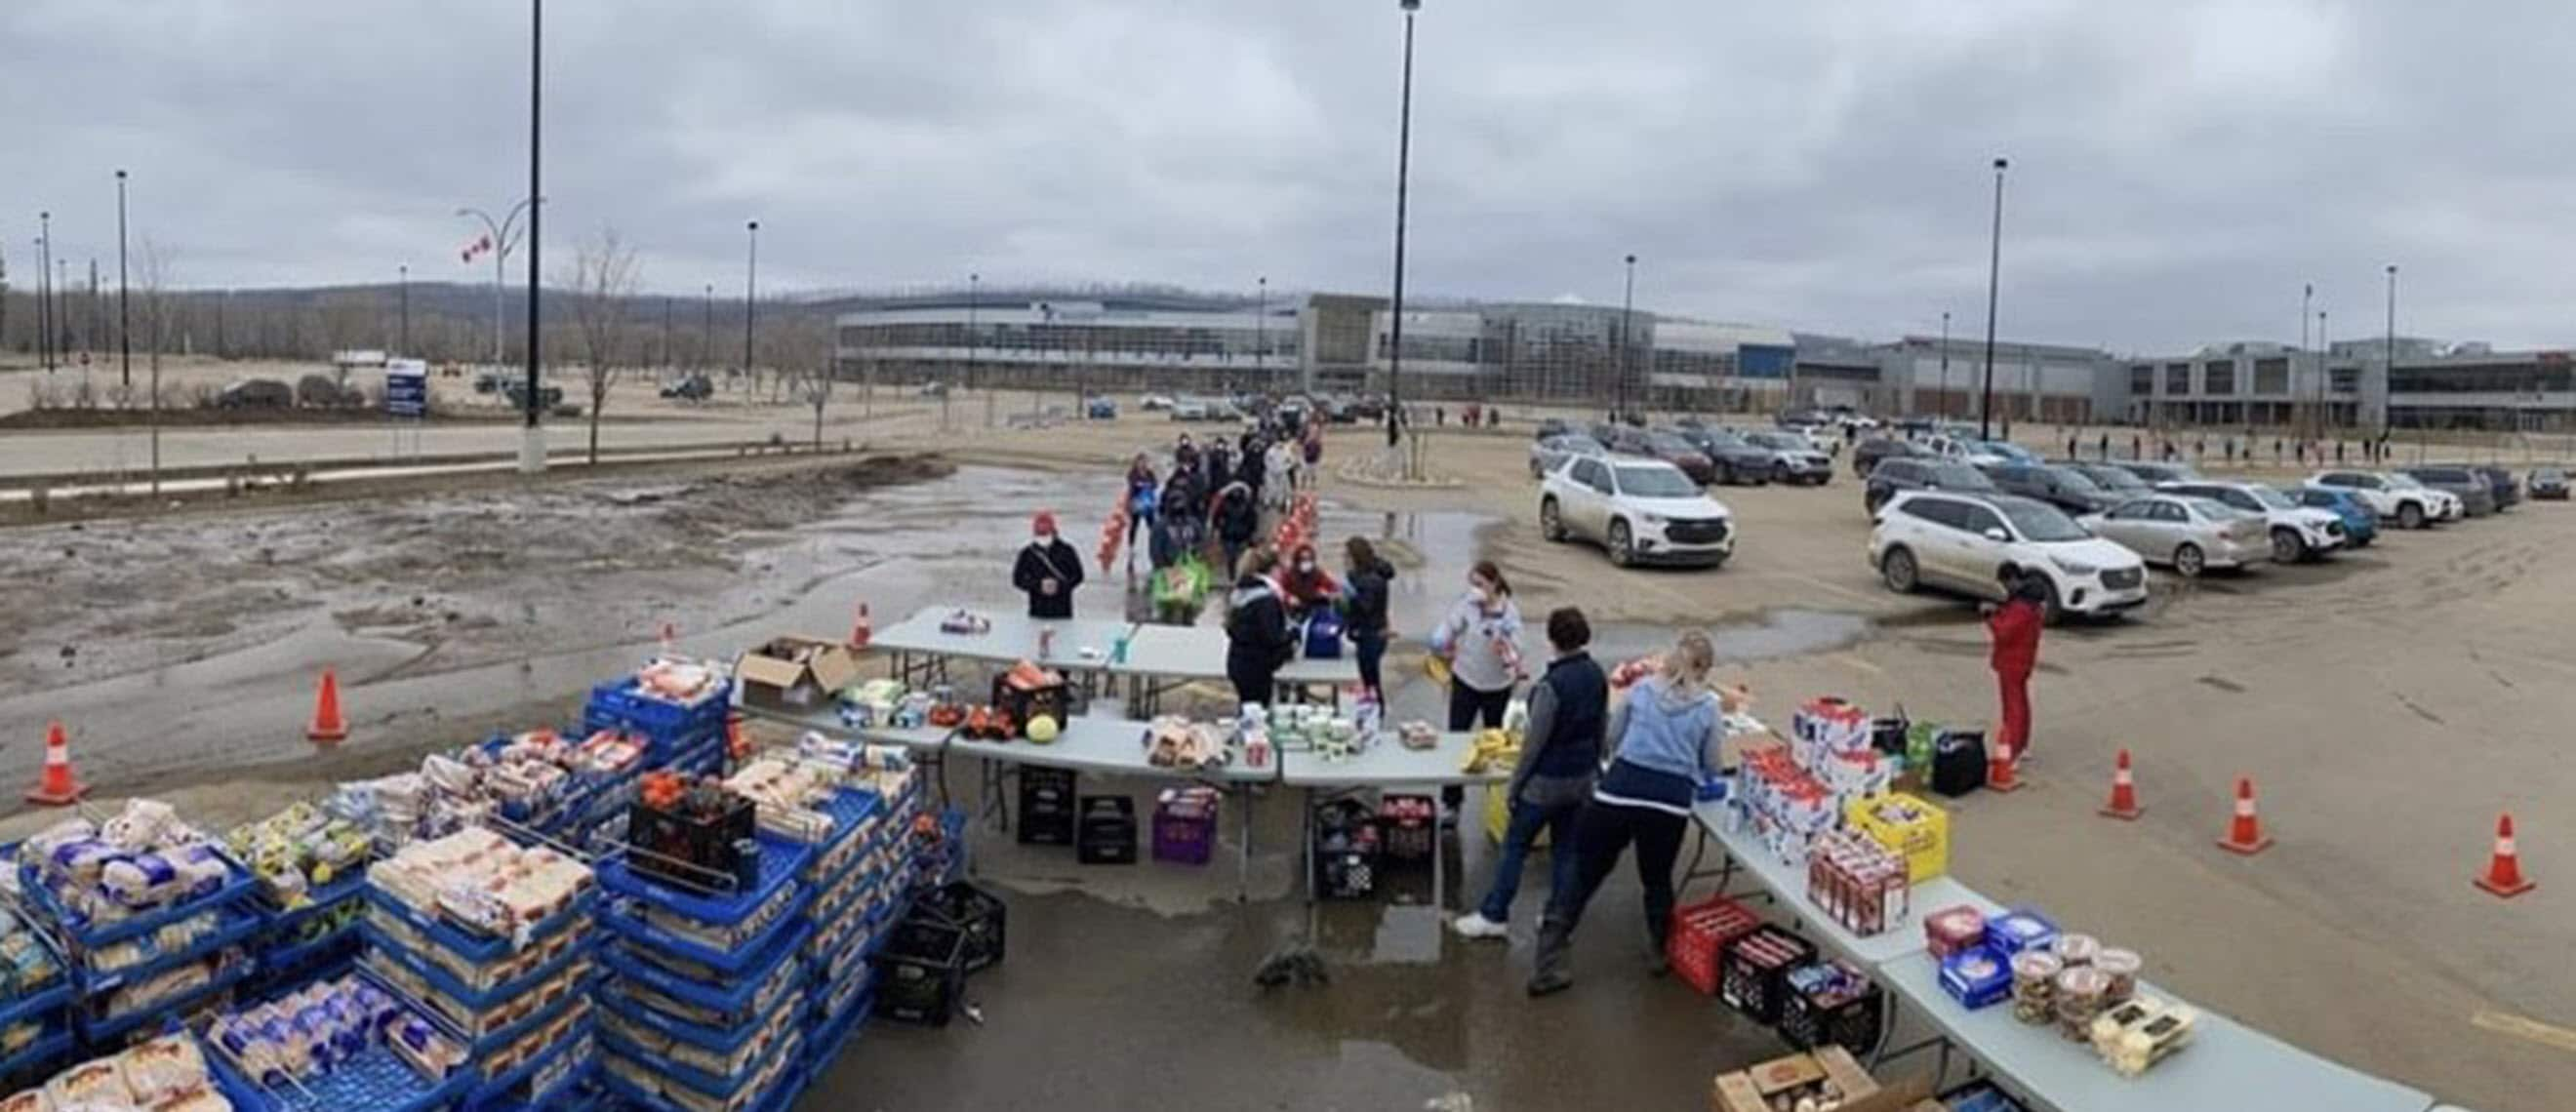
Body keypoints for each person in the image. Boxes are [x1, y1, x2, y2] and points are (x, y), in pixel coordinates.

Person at [1527, 631, 1725, 996]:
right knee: (1656, 878)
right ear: (1705, 668)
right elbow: (1712, 763)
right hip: (1668, 803)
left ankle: (1549, 959)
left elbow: (1613, 736)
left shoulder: (1644, 689)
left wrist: (1627, 760)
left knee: (1584, 871)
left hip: (1619, 792)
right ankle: (1657, 951)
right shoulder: (1709, 706)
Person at [1455, 607, 1606, 940]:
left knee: (1515, 846)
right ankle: (1557, 917)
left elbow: (1534, 744)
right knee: (1565, 850)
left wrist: (1515, 786)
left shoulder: (1550, 687)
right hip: (1581, 780)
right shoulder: (1597, 675)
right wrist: (1595, 770)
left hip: (1545, 783)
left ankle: (1495, 914)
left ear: (1552, 639)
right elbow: (1601, 728)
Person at [1434, 562, 1524, 820]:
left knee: (1495, 746)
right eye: (1472, 584)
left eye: (1480, 584)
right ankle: (1451, 801)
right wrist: (1442, 638)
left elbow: (1519, 649)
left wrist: (1507, 644)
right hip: (1466, 679)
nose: (1475, 590)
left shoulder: (1509, 613)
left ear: (1494, 584)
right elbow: (1451, 625)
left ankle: (1497, 801)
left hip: (1496, 686)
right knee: (1456, 741)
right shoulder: (1468, 606)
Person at [1987, 572, 2046, 764]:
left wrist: (1991, 618)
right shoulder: (2033, 607)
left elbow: (2004, 632)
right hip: (2023, 660)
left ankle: (2011, 750)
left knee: (2012, 706)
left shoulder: (2020, 608)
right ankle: (2022, 745)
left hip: (2010, 661)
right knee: (2021, 703)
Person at [1223, 548, 1293, 707]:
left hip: (1238, 660)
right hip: (1257, 664)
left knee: (1247, 706)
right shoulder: (1265, 600)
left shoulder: (1239, 593)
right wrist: (1291, 636)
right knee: (1258, 710)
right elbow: (1273, 635)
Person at [1341, 538, 1396, 700]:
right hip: (1371, 630)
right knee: (1369, 677)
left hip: (1370, 633)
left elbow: (1365, 607)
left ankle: (1375, 710)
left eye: (1347, 556)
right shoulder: (1362, 576)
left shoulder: (1370, 581)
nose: (1345, 560)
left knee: (1370, 678)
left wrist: (1348, 599)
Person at [1012, 512, 1086, 619]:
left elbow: (1078, 576)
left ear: (1053, 530)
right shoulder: (1027, 553)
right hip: (1037, 610)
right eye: (1039, 533)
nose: (1042, 536)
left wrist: (1060, 586)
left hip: (1063, 611)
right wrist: (1038, 586)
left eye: (1045, 533)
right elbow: (1017, 579)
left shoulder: (1067, 550)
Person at [1211, 480, 1259, 581]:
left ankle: (1238, 575)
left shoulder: (1247, 507)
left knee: (1239, 557)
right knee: (1232, 557)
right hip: (1230, 535)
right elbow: (1217, 518)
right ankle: (1233, 575)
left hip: (1239, 535)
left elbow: (1252, 520)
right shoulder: (1226, 506)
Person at [1277, 542, 1339, 619]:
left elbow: (1334, 588)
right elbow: (1281, 590)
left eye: (1309, 559)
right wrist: (1289, 598)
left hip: (1315, 610)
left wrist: (1325, 592)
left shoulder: (1318, 573)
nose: (1306, 562)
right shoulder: (1289, 574)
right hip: (1295, 611)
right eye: (1303, 559)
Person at [1123, 454, 1159, 572]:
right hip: (1136, 503)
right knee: (1134, 525)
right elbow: (1132, 484)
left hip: (1148, 503)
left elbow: (1155, 484)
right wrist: (1140, 485)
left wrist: (1149, 485)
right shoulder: (1133, 473)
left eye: (1144, 462)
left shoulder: (1150, 473)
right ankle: (1131, 547)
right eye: (1140, 461)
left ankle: (1155, 545)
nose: (1143, 464)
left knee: (1152, 525)